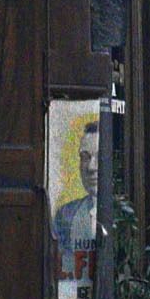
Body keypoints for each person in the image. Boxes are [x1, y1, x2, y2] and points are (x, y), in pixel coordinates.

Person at [51, 118, 98, 276]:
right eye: (85, 157)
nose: (91, 167)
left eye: (99, 156)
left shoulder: (125, 216)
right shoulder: (65, 214)